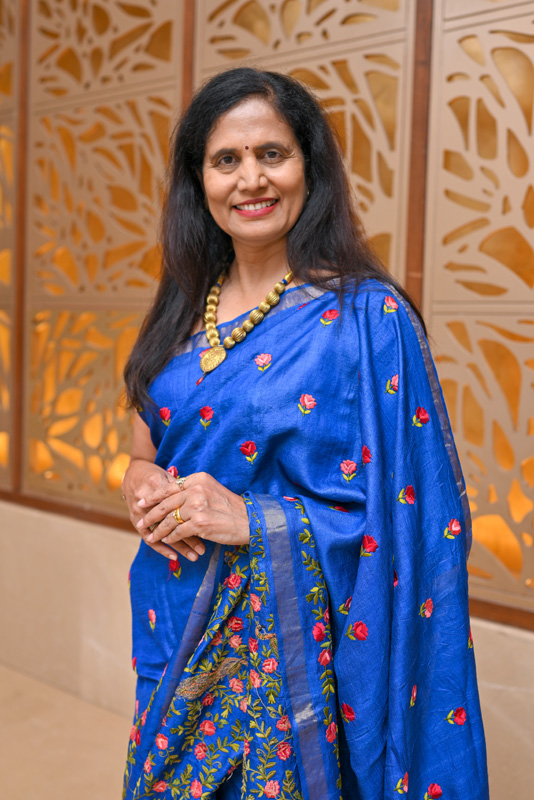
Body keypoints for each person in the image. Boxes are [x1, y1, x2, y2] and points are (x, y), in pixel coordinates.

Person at [121, 67, 488, 800]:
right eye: (226, 160)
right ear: (200, 181)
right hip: (175, 620)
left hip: (295, 654)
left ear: (308, 168)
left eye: (272, 154)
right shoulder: (183, 307)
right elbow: (143, 445)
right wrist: (137, 478)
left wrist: (254, 520)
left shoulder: (366, 318)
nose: (250, 179)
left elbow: (417, 524)